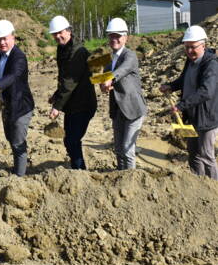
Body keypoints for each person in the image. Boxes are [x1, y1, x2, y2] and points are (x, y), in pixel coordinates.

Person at [160, 25, 218, 180]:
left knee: (206, 155)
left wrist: (181, 105)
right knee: (193, 154)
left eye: (193, 47)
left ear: (203, 45)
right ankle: (198, 184)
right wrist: (171, 86)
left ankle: (213, 188)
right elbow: (184, 80)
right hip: (190, 117)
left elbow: (207, 91)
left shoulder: (211, 64)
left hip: (206, 118)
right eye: (186, 47)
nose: (189, 51)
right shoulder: (190, 60)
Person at [0, 20, 34, 176]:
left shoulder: (19, 57)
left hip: (21, 106)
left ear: (13, 38)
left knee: (18, 142)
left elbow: (12, 76)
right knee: (10, 137)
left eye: (5, 38)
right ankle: (19, 167)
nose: (2, 42)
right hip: (7, 105)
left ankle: (20, 176)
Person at [48, 15, 97, 169]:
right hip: (72, 105)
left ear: (68, 30)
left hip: (83, 104)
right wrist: (57, 94)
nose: (57, 36)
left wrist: (57, 106)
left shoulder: (78, 51)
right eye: (54, 34)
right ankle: (77, 167)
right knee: (69, 140)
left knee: (72, 140)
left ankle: (80, 172)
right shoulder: (62, 48)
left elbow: (71, 81)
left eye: (60, 32)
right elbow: (65, 77)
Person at [100, 18, 146, 170]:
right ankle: (120, 176)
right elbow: (105, 83)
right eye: (111, 36)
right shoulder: (109, 60)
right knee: (119, 149)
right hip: (118, 109)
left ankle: (131, 181)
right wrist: (103, 85)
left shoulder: (129, 55)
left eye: (118, 36)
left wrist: (110, 78)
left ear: (125, 37)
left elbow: (123, 70)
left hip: (133, 109)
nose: (114, 39)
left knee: (127, 149)